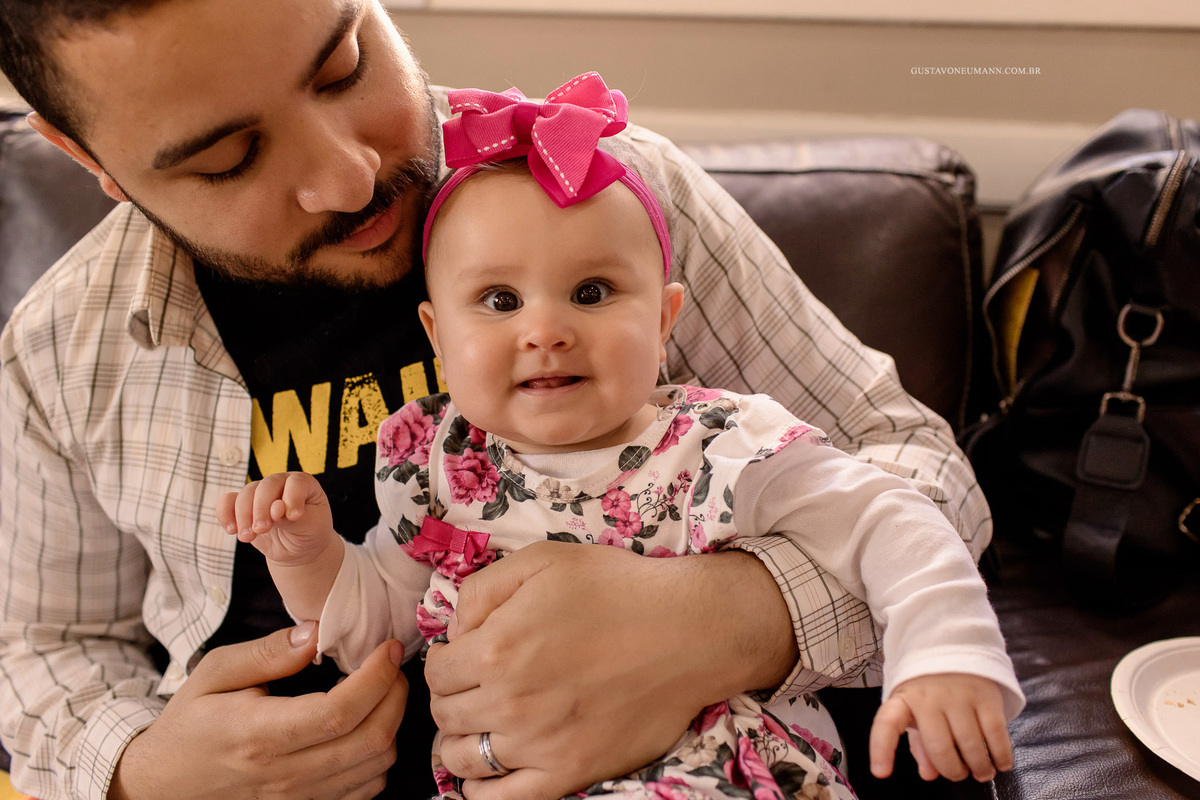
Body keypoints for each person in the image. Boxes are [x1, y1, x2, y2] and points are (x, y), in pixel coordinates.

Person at [0, 2, 996, 799]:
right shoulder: (62, 348)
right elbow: (41, 642)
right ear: (91, 161)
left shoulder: (610, 196)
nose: (349, 178)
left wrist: (727, 618)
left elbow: (910, 462)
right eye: (229, 157)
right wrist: (136, 769)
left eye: (344, 62)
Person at [219, 74, 1023, 800]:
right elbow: (381, 624)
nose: (546, 330)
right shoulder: (434, 466)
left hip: (721, 777)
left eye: (592, 291)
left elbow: (889, 516)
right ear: (436, 335)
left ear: (665, 318)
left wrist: (945, 652)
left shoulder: (718, 443)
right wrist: (308, 557)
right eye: (499, 301)